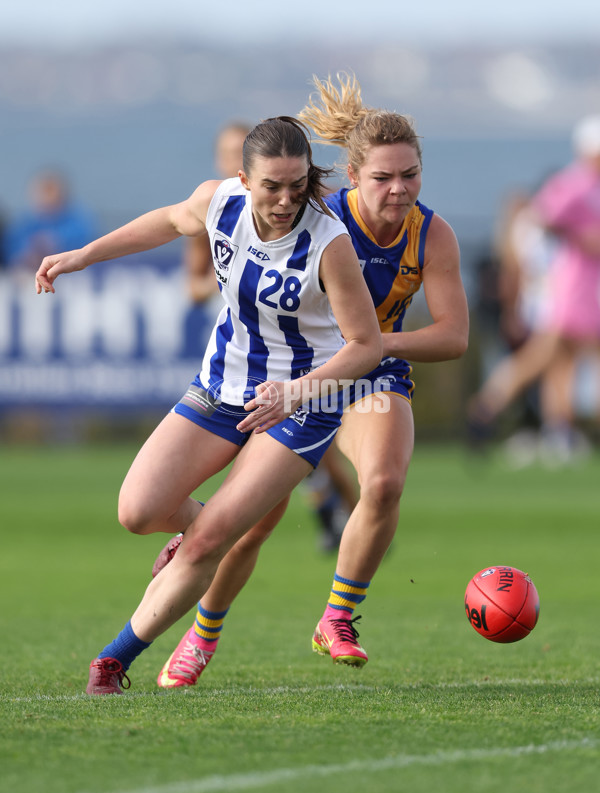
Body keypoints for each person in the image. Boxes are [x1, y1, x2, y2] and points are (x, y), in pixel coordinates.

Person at [34, 115, 383, 695]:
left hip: (300, 405)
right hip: (221, 386)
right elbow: (167, 222)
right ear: (243, 179)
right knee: (138, 512)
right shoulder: (220, 202)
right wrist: (83, 256)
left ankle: (113, 662)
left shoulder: (329, 242)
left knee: (206, 542)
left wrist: (295, 391)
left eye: (297, 185)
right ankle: (214, 533)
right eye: (272, 185)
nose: (286, 199)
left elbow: (366, 345)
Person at [153, 73, 469, 688]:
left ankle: (339, 616)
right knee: (249, 527)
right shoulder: (319, 221)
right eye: (383, 177)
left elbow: (454, 336)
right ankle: (201, 635)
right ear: (353, 177)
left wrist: (374, 346)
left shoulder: (433, 235)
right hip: (296, 379)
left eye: (410, 174)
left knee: (383, 482)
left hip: (369, 381)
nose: (399, 188)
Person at [186, 119, 359, 552]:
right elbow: (194, 286)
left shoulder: (302, 215)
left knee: (315, 453)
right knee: (256, 502)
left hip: (297, 360)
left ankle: (354, 520)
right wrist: (233, 270)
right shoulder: (218, 205)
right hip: (240, 347)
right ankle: (328, 517)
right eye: (224, 156)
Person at [467, 115, 600, 465]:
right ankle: (488, 408)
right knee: (545, 359)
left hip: (578, 291)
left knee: (559, 364)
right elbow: (543, 221)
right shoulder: (575, 184)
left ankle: (556, 432)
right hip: (570, 292)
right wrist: (580, 238)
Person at [6, 169, 96, 273]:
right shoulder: (25, 221)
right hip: (28, 276)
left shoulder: (79, 219)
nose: (47, 196)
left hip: (71, 275)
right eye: (43, 191)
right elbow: (12, 251)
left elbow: (86, 246)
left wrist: (55, 244)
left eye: (51, 190)